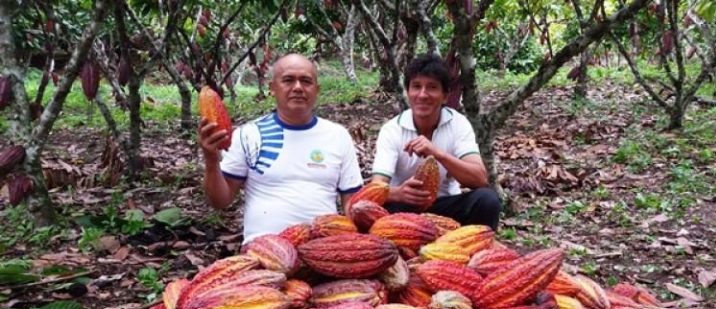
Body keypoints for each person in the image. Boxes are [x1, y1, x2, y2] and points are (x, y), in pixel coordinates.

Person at [198, 53, 363, 244]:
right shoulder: (249, 134)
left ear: (317, 90)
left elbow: (352, 202)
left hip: (322, 249)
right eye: (288, 80)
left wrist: (356, 245)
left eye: (306, 81)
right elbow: (220, 201)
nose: (298, 87)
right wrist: (211, 160)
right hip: (264, 249)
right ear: (272, 88)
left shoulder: (337, 136)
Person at [371, 53, 501, 230]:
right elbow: (376, 187)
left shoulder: (458, 123)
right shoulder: (392, 130)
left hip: (445, 206)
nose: (422, 95)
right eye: (416, 87)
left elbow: (479, 178)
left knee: (487, 200)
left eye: (432, 87)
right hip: (404, 210)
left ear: (445, 96)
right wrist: (398, 193)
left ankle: (476, 248)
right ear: (408, 92)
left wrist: (437, 153)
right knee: (377, 209)